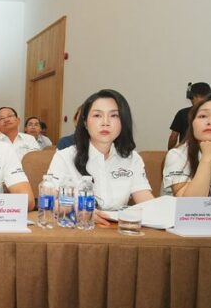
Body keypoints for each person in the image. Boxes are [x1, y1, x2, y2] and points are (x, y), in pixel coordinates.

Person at [45, 90, 154, 224]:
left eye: (114, 115)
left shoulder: (132, 158)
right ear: (85, 122)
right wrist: (78, 209)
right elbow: (49, 202)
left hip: (116, 229)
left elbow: (146, 202)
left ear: (123, 122)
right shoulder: (65, 156)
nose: (105, 122)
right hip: (78, 228)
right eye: (97, 115)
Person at [168, 82, 211, 149]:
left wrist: (170, 152)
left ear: (195, 97)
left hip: (185, 152)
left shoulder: (182, 113)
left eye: (192, 98)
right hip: (209, 151)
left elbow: (173, 137)